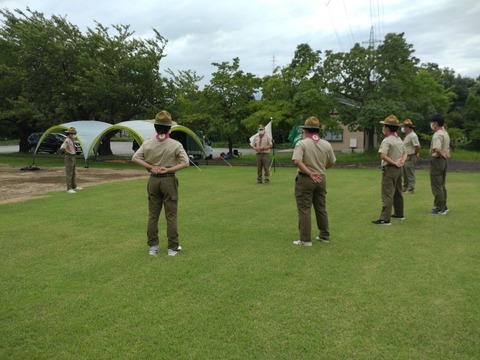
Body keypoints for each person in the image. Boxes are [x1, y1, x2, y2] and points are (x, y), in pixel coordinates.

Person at [132, 111, 190, 256]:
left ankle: (153, 247)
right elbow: (186, 163)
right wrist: (168, 169)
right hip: (169, 180)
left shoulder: (148, 143)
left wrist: (151, 167)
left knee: (153, 215)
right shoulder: (175, 144)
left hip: (153, 179)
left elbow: (135, 158)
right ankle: (172, 247)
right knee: (171, 215)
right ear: (170, 128)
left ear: (155, 127)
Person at [291, 116, 336, 246]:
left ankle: (305, 239)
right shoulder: (326, 144)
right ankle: (324, 235)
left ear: (306, 130)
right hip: (321, 178)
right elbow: (332, 162)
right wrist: (321, 170)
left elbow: (297, 161)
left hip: (306, 178)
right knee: (321, 208)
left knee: (304, 209)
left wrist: (310, 173)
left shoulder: (302, 143)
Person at [372, 115, 407, 225]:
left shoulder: (387, 141)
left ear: (387, 128)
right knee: (397, 191)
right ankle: (399, 213)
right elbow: (405, 153)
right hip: (399, 169)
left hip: (390, 168)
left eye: (384, 126)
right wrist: (401, 161)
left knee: (387, 193)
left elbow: (383, 155)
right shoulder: (399, 140)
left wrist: (394, 162)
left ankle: (385, 218)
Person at [429, 114, 450, 215]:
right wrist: (446, 154)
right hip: (443, 162)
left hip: (437, 160)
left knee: (436, 184)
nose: (431, 124)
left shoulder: (437, 134)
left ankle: (439, 207)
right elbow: (447, 147)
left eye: (432, 122)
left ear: (435, 123)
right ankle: (444, 205)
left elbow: (436, 149)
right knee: (442, 184)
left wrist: (442, 155)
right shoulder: (445, 133)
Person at [60, 127, 82, 194]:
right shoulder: (67, 140)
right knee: (69, 173)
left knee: (73, 173)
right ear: (70, 133)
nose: (74, 134)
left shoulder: (72, 140)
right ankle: (69, 188)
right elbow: (62, 148)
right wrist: (67, 152)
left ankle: (74, 186)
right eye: (73, 133)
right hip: (69, 157)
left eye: (74, 133)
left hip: (73, 156)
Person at [401, 119, 421, 194]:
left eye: (405, 127)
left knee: (410, 173)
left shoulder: (413, 135)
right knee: (405, 173)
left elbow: (417, 146)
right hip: (405, 156)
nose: (403, 128)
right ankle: (405, 187)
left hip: (410, 156)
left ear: (408, 127)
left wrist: (415, 154)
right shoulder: (407, 136)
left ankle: (410, 189)